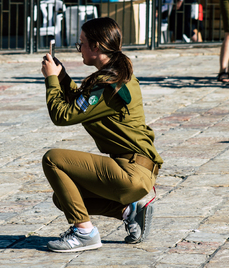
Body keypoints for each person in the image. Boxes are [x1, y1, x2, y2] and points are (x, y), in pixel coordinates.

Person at [40, 17, 163, 253]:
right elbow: (82, 102)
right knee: (64, 198)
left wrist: (52, 80)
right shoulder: (114, 76)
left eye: (81, 44)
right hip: (137, 170)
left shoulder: (109, 86)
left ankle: (84, 233)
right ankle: (129, 211)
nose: (80, 50)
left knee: (52, 159)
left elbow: (62, 116)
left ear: (96, 46)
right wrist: (63, 76)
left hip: (130, 172)